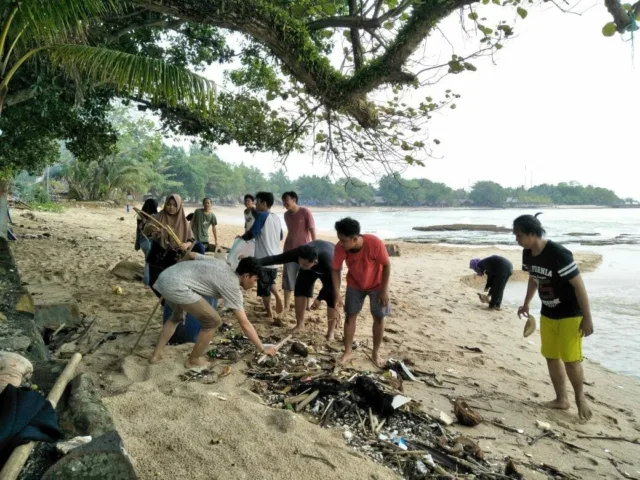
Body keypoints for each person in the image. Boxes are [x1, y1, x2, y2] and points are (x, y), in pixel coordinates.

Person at [513, 213, 594, 421]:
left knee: (571, 360)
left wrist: (587, 318)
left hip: (570, 314)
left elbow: (579, 286)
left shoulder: (559, 254)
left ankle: (580, 399)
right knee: (551, 356)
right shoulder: (528, 253)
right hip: (548, 312)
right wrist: (527, 302)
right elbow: (533, 278)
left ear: (533, 234)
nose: (517, 240)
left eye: (519, 235)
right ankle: (561, 399)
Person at [151, 255, 276, 368]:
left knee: (176, 317)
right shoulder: (232, 285)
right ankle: (193, 360)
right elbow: (244, 324)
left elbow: (191, 254)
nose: (255, 284)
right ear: (246, 276)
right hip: (178, 286)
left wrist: (178, 270)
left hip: (166, 275)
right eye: (255, 279)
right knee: (212, 322)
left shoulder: (222, 263)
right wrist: (262, 348)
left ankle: (155, 356)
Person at [332, 217, 391, 366]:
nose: (341, 243)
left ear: (355, 238)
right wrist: (337, 294)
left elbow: (387, 266)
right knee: (350, 316)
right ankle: (347, 352)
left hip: (377, 285)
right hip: (355, 284)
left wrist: (384, 290)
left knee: (378, 317)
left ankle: (375, 353)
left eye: (344, 240)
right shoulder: (340, 247)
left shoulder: (374, 243)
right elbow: (335, 269)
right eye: (339, 239)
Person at [258, 240, 339, 340]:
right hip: (310, 267)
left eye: (305, 264)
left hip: (331, 264)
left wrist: (319, 298)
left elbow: (333, 284)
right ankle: (300, 324)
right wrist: (256, 262)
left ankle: (330, 332)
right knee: (300, 290)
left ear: (315, 262)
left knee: (331, 297)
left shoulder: (328, 262)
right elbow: (275, 259)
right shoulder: (298, 254)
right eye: (300, 263)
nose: (301, 266)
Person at [241, 191, 283, 318]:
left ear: (264, 203)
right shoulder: (276, 217)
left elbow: (252, 233)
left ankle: (269, 312)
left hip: (264, 257)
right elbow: (281, 236)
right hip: (276, 257)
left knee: (264, 287)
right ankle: (277, 296)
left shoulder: (261, 216)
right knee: (270, 280)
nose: (255, 204)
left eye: (257, 202)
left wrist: (241, 238)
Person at [143, 194, 194, 297]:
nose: (171, 207)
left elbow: (191, 240)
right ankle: (166, 303)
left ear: (179, 206)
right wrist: (152, 230)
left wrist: (186, 245)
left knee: (170, 283)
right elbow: (146, 230)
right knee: (153, 282)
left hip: (174, 257)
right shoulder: (158, 217)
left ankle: (168, 305)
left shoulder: (184, 222)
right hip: (157, 254)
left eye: (174, 205)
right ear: (165, 204)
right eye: (169, 204)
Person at [281, 191, 316, 311]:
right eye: (283, 201)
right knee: (288, 278)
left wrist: (315, 246)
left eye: (286, 200)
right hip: (289, 250)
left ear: (294, 200)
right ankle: (286, 305)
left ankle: (307, 305)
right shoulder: (286, 215)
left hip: (305, 251)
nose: (284, 203)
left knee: (306, 278)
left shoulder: (305, 212)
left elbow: (312, 230)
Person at [135, 198, 158, 285]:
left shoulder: (140, 215)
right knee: (149, 263)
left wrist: (137, 244)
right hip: (149, 241)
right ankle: (147, 282)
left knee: (147, 261)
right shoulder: (155, 216)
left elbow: (137, 230)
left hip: (142, 241)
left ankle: (148, 280)